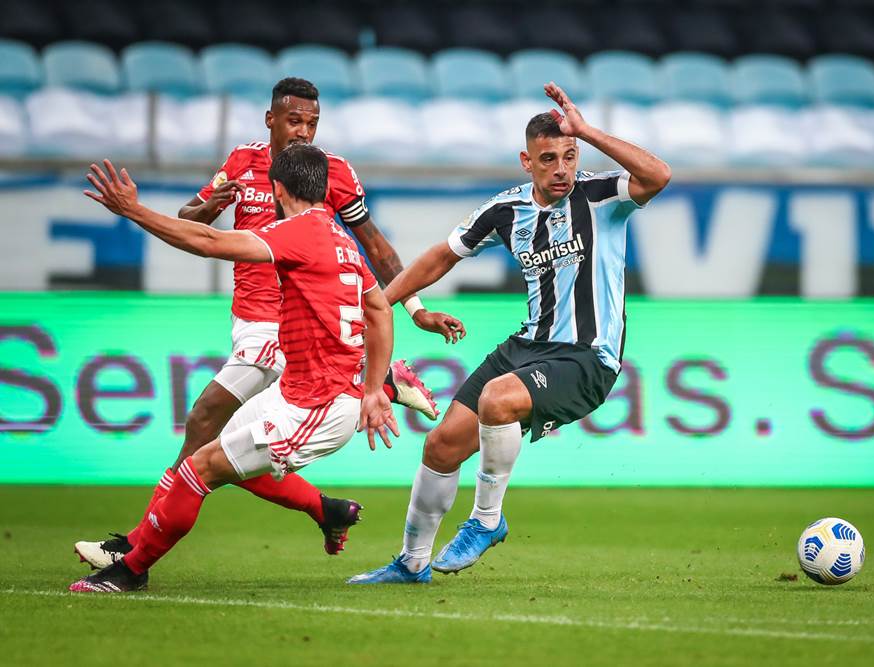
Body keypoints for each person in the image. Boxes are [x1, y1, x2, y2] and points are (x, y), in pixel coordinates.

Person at [74, 77, 464, 570]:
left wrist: (416, 309)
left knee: (202, 421)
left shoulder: (328, 173)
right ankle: (329, 502)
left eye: (313, 123)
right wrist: (212, 204)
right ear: (271, 120)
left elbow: (378, 248)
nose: (305, 131)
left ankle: (132, 549)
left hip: (279, 324)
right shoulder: (241, 161)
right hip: (246, 319)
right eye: (296, 120)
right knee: (227, 451)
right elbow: (192, 218)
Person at [348, 83, 671, 584]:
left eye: (569, 155)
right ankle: (412, 563)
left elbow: (659, 174)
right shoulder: (507, 210)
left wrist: (586, 129)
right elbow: (442, 255)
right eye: (548, 159)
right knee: (440, 446)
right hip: (528, 347)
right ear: (527, 162)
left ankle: (486, 521)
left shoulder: (602, 195)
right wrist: (382, 303)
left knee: (498, 400)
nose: (561, 168)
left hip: (589, 358)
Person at [71, 145, 399, 593]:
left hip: (317, 405)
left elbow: (207, 242)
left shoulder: (298, 232)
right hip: (298, 392)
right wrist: (374, 387)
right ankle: (328, 510)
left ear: (277, 188)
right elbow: (380, 308)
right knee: (216, 453)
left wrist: (133, 211)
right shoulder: (343, 239)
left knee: (198, 469)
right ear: (324, 188)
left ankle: (131, 568)